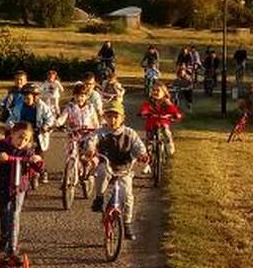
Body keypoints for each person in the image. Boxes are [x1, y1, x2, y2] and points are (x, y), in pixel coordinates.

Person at [86, 99, 148, 241]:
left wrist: (142, 155)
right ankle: (99, 198)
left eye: (116, 117)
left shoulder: (129, 133)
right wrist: (90, 149)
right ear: (104, 118)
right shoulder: (101, 132)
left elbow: (138, 146)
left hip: (124, 168)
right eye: (109, 117)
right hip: (107, 165)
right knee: (101, 173)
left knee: (128, 197)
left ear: (122, 118)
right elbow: (91, 140)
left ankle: (127, 223)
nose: (112, 120)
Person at [0, 122, 44, 257]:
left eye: (26, 139)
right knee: (4, 212)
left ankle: (13, 245)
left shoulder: (28, 150)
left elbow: (39, 169)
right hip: (4, 184)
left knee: (15, 213)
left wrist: (38, 161)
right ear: (12, 134)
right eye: (20, 137)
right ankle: (4, 236)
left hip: (20, 187)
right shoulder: (1, 145)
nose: (22, 142)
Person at [6, 82, 54, 182]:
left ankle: (42, 171)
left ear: (36, 97)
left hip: (37, 132)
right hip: (23, 132)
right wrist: (11, 126)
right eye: (24, 97)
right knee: (19, 149)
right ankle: (16, 166)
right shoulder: (19, 106)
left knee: (38, 152)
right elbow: (12, 118)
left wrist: (45, 126)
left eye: (28, 97)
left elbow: (50, 118)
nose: (26, 100)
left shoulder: (42, 106)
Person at [139, 82, 183, 160]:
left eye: (158, 90)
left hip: (163, 122)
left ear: (164, 93)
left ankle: (169, 143)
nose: (155, 92)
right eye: (153, 90)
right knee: (149, 138)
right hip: (151, 124)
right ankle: (149, 153)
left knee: (166, 132)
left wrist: (175, 114)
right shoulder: (149, 102)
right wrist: (144, 112)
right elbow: (145, 108)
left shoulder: (167, 103)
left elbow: (173, 110)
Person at [56, 82, 100, 158]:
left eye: (82, 96)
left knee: (89, 151)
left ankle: (90, 163)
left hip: (88, 134)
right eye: (77, 96)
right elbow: (62, 118)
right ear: (73, 96)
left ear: (86, 96)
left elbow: (95, 121)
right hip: (74, 134)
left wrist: (97, 130)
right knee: (72, 153)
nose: (79, 98)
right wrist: (56, 123)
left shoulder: (90, 107)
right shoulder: (70, 107)